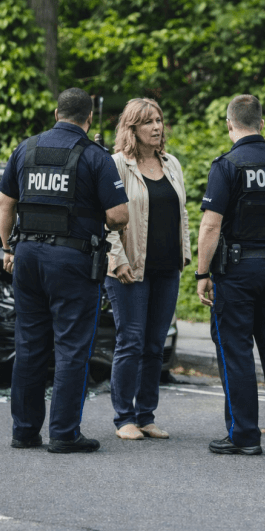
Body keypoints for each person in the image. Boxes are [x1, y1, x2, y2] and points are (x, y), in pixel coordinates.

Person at [0, 87, 129, 453]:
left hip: (27, 258)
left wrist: (8, 248)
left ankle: (24, 432)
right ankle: (64, 434)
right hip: (72, 262)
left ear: (56, 114)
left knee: (29, 345)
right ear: (88, 120)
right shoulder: (94, 156)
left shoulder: (27, 149)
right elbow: (119, 216)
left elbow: (5, 201)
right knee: (71, 348)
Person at [195, 94, 265, 455]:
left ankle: (243, 436)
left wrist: (202, 273)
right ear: (262, 123)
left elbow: (211, 226)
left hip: (238, 271)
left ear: (230, 124)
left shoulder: (227, 165)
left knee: (236, 351)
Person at [105, 98, 191, 441]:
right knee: (131, 341)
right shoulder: (117, 166)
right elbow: (106, 221)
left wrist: (185, 255)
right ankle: (123, 417)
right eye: (147, 122)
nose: (156, 127)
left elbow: (182, 214)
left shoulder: (172, 164)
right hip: (130, 268)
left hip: (167, 268)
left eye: (159, 120)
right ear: (132, 129)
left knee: (156, 344)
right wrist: (117, 259)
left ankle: (146, 415)